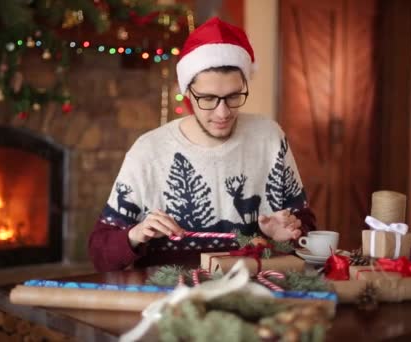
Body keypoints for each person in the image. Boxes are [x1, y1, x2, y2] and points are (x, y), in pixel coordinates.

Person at [88, 17, 316, 272]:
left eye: (233, 96)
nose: (222, 113)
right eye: (208, 98)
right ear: (187, 93)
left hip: (252, 288)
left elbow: (307, 229)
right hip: (168, 298)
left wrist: (288, 233)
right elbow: (100, 252)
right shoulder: (147, 151)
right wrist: (135, 234)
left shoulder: (270, 138)